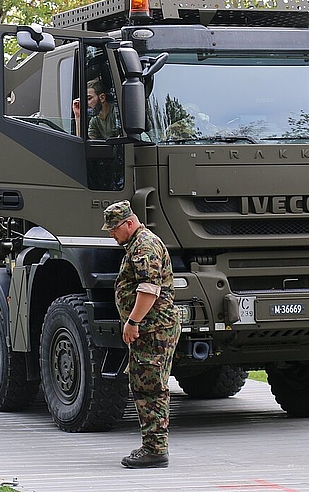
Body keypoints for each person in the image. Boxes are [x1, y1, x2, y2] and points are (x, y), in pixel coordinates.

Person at [102, 200, 181, 469]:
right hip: (151, 329)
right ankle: (152, 446)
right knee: (144, 385)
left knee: (149, 388)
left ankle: (155, 450)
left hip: (153, 329)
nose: (112, 234)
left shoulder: (144, 246)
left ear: (129, 223)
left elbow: (149, 289)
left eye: (114, 229)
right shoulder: (136, 244)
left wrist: (133, 321)